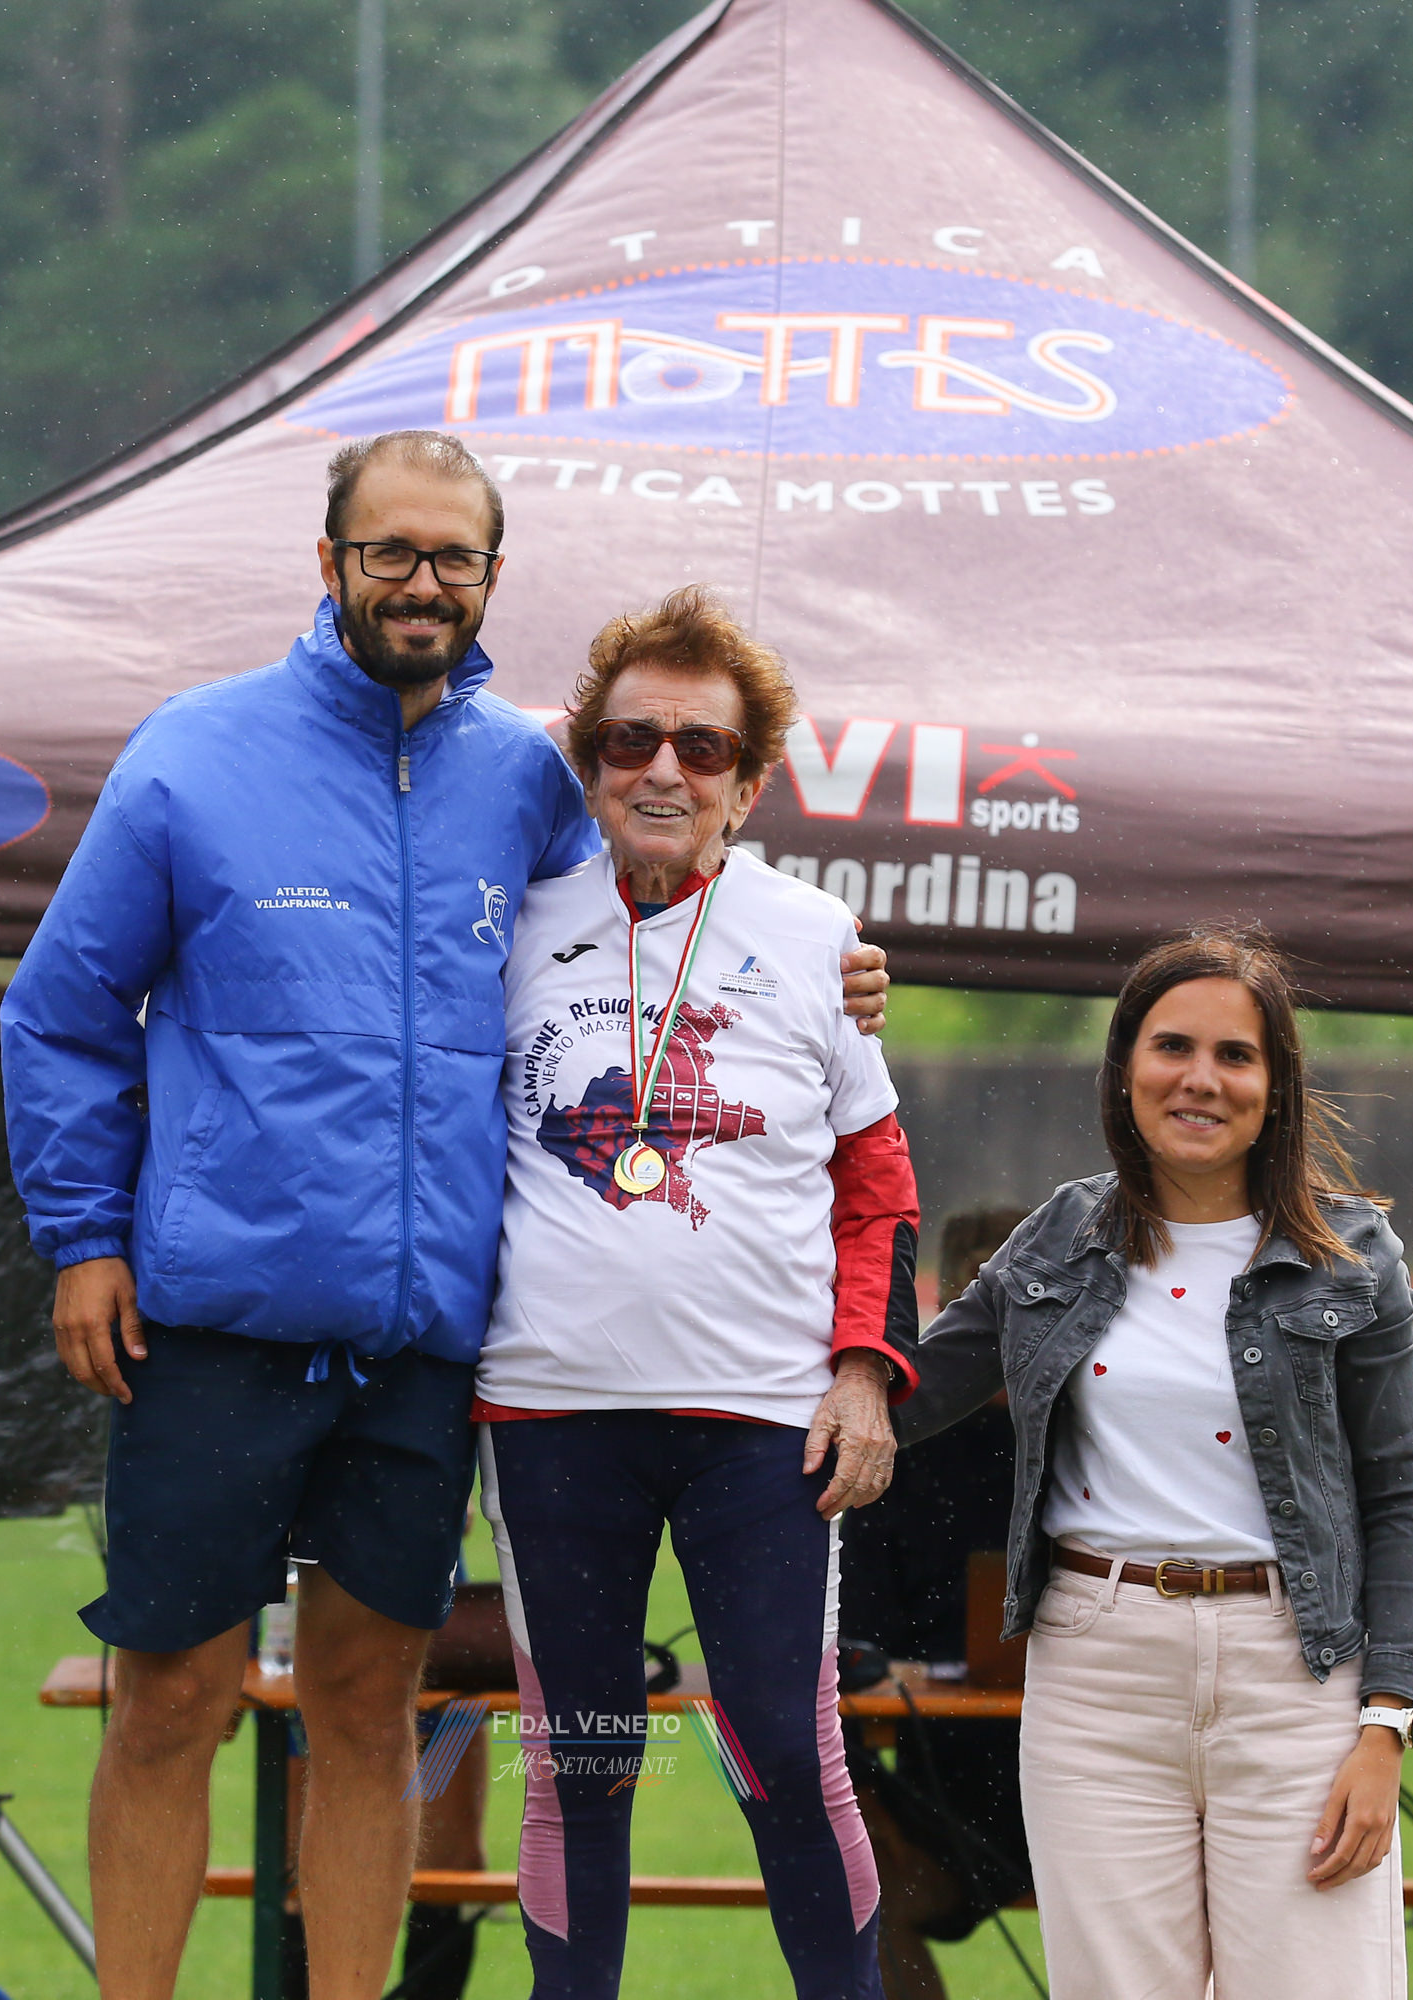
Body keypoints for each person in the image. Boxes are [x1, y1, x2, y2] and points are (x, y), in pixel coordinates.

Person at [0, 435, 888, 2000]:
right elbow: (63, 1014)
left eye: (452, 557)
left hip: (424, 1341)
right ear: (330, 562)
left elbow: (652, 911)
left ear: (491, 576)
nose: (421, 583)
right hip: (213, 1321)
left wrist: (828, 965)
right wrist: (83, 1237)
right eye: (390, 552)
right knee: (170, 1703)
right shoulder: (193, 756)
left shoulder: (527, 780)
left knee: (371, 1713)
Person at [471, 584, 921, 1999]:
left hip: (762, 1419)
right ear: (589, 761)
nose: (663, 769)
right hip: (550, 1409)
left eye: (702, 747)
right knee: (582, 1757)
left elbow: (879, 1184)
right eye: (631, 740)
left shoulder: (816, 934)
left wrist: (866, 1371)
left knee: (783, 1746)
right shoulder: (509, 922)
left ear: (751, 778)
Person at [896, 927, 1413, 2000]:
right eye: (1172, 1046)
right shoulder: (1056, 1237)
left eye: (1236, 1055)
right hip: (1097, 1675)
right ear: (1125, 1069)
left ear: (1276, 1087)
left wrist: (1386, 1723)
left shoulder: (1351, 1256)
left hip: (1296, 1677)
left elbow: (1400, 1491)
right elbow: (902, 1397)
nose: (1201, 1078)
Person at [837, 1208, 1034, 2000]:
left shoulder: (1092, 1438)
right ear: (950, 1298)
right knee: (857, 1885)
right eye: (983, 1292)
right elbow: (856, 1635)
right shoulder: (898, 1449)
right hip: (948, 1779)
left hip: (1092, 1755)